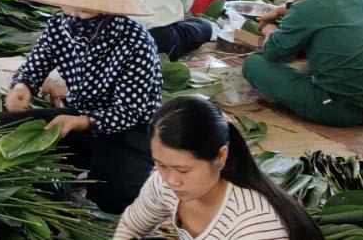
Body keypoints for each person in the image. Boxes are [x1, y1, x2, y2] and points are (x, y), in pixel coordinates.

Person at [2, 0, 162, 214]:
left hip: (127, 129)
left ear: (107, 8)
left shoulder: (136, 41)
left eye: (83, 10)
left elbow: (131, 110)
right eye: (69, 7)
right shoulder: (61, 25)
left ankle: (101, 166)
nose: (74, 15)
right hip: (77, 116)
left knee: (115, 198)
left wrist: (82, 122)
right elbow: (36, 64)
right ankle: (82, 160)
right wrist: (22, 87)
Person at [116, 96, 323, 239]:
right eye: (161, 165)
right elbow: (131, 226)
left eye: (183, 170)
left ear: (220, 157)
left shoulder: (255, 224)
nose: (171, 180)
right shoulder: (164, 183)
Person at [243, 0, 363, 127]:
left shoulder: (306, 10)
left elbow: (273, 53)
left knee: (254, 63)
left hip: (340, 108)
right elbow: (325, 6)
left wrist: (269, 30)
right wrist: (283, 8)